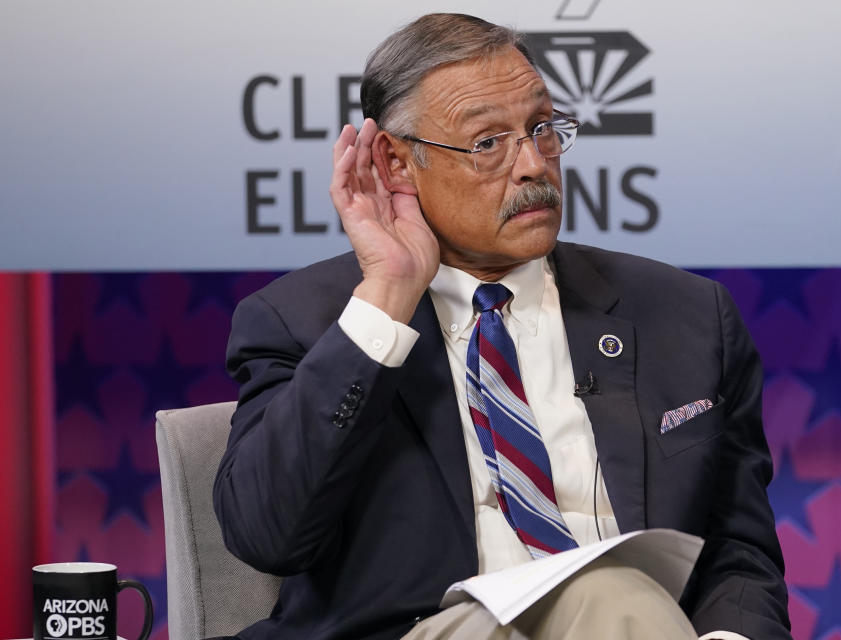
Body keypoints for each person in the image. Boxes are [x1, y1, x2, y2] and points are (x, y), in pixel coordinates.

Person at [213, 12, 790, 640]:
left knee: (617, 597)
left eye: (541, 130)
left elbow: (739, 551)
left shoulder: (684, 315)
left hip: (638, 623)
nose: (533, 166)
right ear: (397, 164)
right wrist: (388, 297)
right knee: (607, 591)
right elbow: (266, 534)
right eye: (487, 143)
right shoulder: (308, 321)